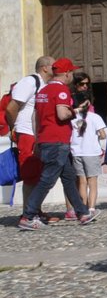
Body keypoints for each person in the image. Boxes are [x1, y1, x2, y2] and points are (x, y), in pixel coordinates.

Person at [18, 58, 95, 228]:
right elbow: (62, 114)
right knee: (47, 180)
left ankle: (82, 213)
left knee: (68, 178)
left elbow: (35, 117)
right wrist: (77, 110)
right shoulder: (61, 91)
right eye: (72, 73)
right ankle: (28, 216)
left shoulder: (43, 91)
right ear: (67, 73)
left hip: (46, 139)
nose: (72, 76)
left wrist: (38, 140)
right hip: (57, 141)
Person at [8, 55, 54, 210]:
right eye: (53, 65)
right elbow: (11, 107)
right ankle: (28, 214)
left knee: (39, 175)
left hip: (37, 134)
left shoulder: (43, 84)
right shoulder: (29, 82)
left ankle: (35, 210)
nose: (56, 68)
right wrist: (14, 127)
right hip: (27, 133)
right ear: (45, 67)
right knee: (30, 174)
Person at [69, 92, 107, 217]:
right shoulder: (95, 117)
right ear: (88, 103)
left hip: (76, 152)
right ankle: (91, 208)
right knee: (93, 182)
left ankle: (83, 208)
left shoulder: (72, 118)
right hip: (91, 152)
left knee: (82, 182)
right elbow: (102, 134)